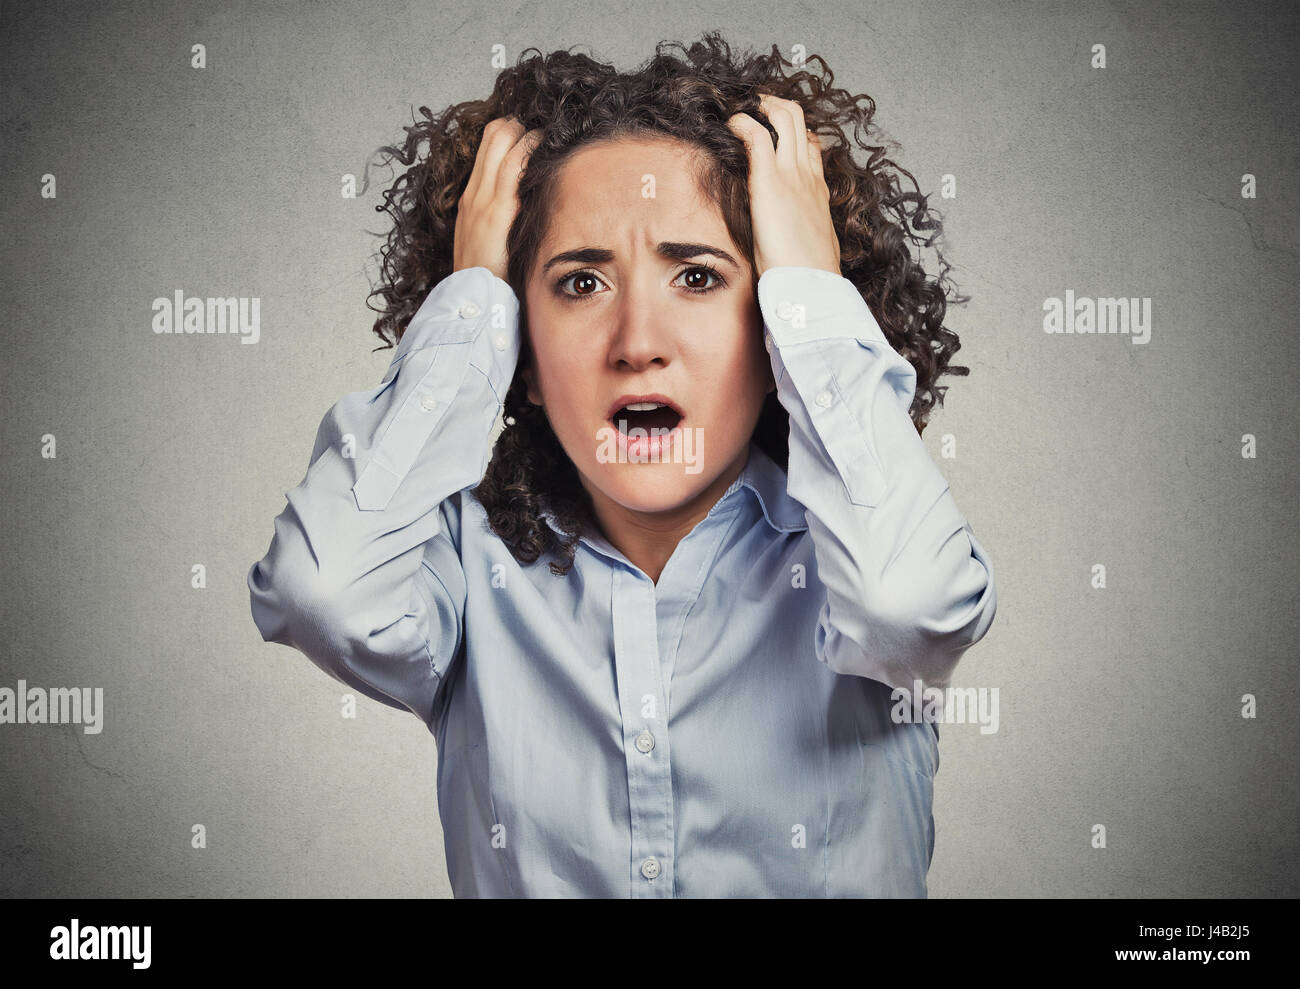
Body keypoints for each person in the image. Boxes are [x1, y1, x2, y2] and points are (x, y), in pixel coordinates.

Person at [247, 33, 997, 897]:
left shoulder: (856, 552)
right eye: (579, 283)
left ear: (774, 332)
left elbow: (910, 605)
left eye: (699, 278)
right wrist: (470, 314)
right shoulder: (463, 568)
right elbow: (322, 592)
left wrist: (813, 292)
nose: (638, 342)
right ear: (521, 352)